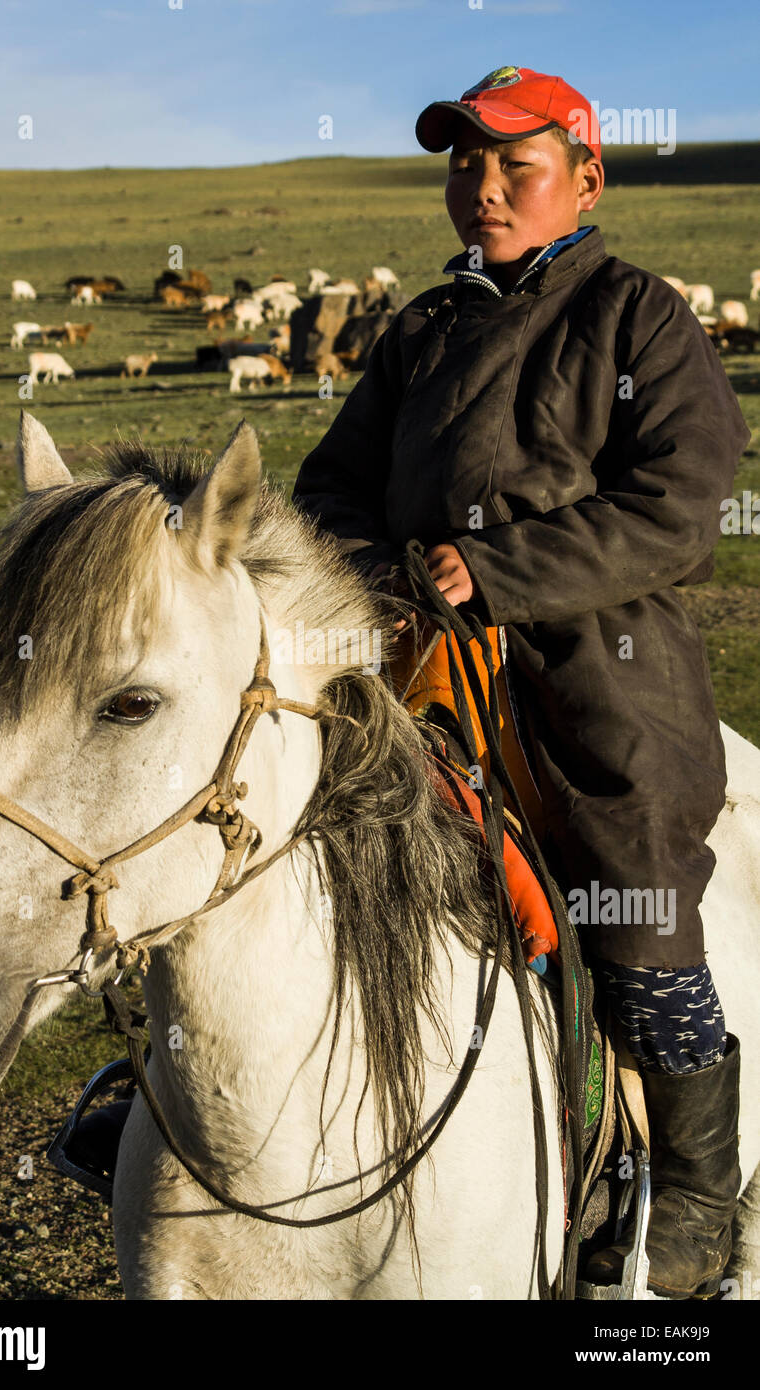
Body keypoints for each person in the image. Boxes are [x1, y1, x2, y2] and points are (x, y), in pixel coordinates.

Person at [291, 66, 750, 1299]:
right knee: (269, 844)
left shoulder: (638, 317)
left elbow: (679, 510)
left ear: (584, 179)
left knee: (634, 897)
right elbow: (322, 488)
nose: (481, 190)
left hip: (591, 676)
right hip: (407, 667)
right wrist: (378, 564)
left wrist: (495, 568)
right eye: (462, 165)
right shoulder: (418, 334)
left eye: (514, 167)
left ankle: (699, 1195)